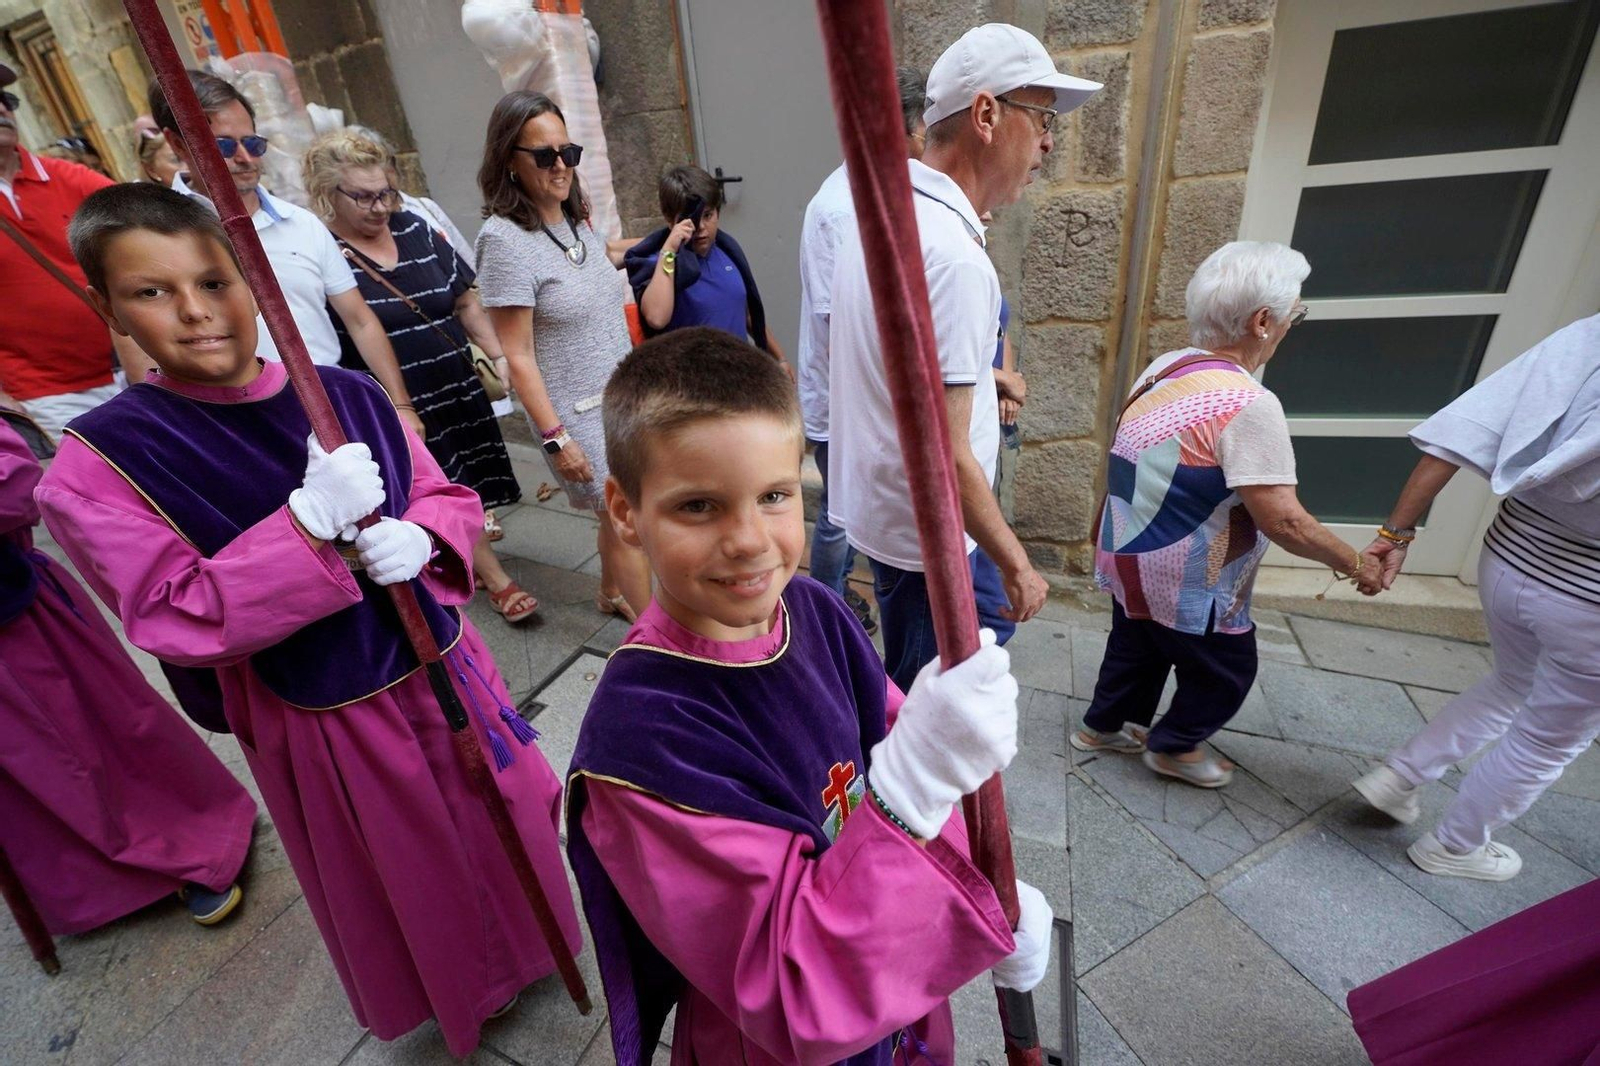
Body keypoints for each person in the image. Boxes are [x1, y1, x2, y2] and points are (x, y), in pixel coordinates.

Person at [36, 183, 582, 1057]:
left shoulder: (343, 396)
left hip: (447, 665)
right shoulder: (98, 466)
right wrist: (302, 530)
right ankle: (471, 986)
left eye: (216, 282)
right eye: (152, 291)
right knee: (411, 865)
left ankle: (534, 942)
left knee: (509, 809)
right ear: (107, 306)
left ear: (253, 281)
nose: (195, 311)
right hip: (330, 714)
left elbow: (442, 492)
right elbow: (173, 612)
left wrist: (427, 535)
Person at [566, 328, 1051, 1065]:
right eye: (699, 506)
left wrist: (987, 887)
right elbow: (789, 988)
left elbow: (893, 740)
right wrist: (913, 787)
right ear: (627, 511)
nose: (750, 540)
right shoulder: (643, 738)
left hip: (894, 974)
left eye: (774, 496)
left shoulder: (815, 611)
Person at [829, 24, 1098, 691]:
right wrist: (1018, 562)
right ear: (986, 115)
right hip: (927, 537)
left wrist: (986, 375)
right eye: (1041, 118)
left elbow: (900, 373)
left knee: (916, 688)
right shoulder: (950, 255)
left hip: (894, 517)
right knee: (923, 712)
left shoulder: (888, 217)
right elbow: (944, 450)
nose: (1048, 141)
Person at [1077, 241, 1382, 788]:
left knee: (1136, 644)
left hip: (1128, 548)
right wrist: (1355, 563)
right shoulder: (1249, 403)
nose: (1294, 323)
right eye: (1296, 313)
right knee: (1227, 669)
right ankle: (1174, 746)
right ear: (1263, 321)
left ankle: (1103, 727)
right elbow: (1283, 521)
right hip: (1192, 573)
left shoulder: (1167, 366)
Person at [1351, 313, 1600, 881]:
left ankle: (1398, 778)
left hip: (1509, 559)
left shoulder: (1590, 335)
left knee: (1512, 682)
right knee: (1546, 739)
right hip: (1590, 603)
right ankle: (1456, 847)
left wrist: (1396, 532)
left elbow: (1464, 431)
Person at [1, 412, 255, 933]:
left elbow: (17, 483)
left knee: (97, 735)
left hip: (19, 624)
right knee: (22, 788)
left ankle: (191, 849)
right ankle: (97, 887)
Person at [302, 130, 534, 625]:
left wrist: (497, 354)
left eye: (385, 191)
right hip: (396, 395)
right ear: (328, 194)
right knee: (440, 479)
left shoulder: (414, 228)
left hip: (454, 379)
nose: (379, 206)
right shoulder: (323, 249)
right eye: (362, 196)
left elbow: (464, 297)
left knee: (472, 473)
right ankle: (495, 579)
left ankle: (461, 536)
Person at [148, 70, 425, 440]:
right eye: (224, 146)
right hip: (233, 423)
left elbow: (360, 321)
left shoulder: (302, 223)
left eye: (253, 143)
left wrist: (401, 405)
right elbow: (144, 350)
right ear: (178, 145)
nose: (244, 158)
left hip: (333, 406)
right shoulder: (156, 233)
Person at [474, 91, 651, 621]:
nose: (561, 166)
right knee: (629, 518)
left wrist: (665, 241)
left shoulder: (574, 221)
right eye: (544, 156)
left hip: (620, 398)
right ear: (509, 161)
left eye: (567, 152)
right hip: (574, 414)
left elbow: (593, 265)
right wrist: (555, 439)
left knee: (611, 511)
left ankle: (612, 592)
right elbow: (519, 356)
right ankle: (660, 639)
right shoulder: (503, 241)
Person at [797, 64, 927, 638]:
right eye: (922, 127)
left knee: (853, 511)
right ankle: (822, 611)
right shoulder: (837, 209)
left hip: (868, 396)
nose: (926, 140)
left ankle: (836, 598)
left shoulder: (885, 196)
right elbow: (840, 321)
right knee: (838, 515)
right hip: (844, 398)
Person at [0, 64, 143, 435]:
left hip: (139, 367)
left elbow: (145, 232)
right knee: (102, 489)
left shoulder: (71, 178)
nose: (1, 109)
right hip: (45, 391)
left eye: (4, 99)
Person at [625, 164, 784, 359]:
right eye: (690, 218)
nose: (700, 226)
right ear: (669, 220)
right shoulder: (660, 261)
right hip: (691, 383)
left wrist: (779, 358)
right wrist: (669, 250)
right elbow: (656, 318)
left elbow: (747, 313)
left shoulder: (728, 250)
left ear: (718, 213)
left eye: (708, 215)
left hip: (740, 376)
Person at [343, 124, 477, 271]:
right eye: (366, 167)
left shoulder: (425, 207)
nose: (382, 174)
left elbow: (470, 265)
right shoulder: (363, 225)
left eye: (385, 162)